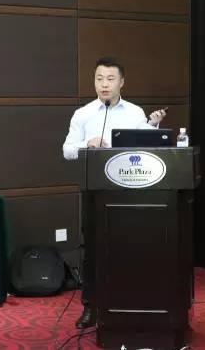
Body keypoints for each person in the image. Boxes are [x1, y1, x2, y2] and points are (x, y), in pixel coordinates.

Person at [62, 57, 167, 328]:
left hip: (127, 191)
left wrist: (153, 124)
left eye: (110, 79)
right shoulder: (83, 114)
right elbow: (67, 150)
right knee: (92, 250)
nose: (104, 84)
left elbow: (146, 145)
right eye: (99, 78)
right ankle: (91, 307)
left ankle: (127, 303)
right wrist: (88, 143)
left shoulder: (134, 112)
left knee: (127, 247)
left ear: (122, 82)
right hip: (95, 190)